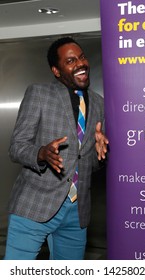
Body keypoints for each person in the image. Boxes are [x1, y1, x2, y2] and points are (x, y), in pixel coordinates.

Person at [4, 37, 108, 260]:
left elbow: (86, 163)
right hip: (34, 205)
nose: (80, 63)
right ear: (57, 71)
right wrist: (41, 154)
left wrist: (100, 156)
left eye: (81, 57)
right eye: (70, 60)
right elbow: (17, 147)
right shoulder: (39, 94)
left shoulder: (99, 104)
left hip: (77, 211)